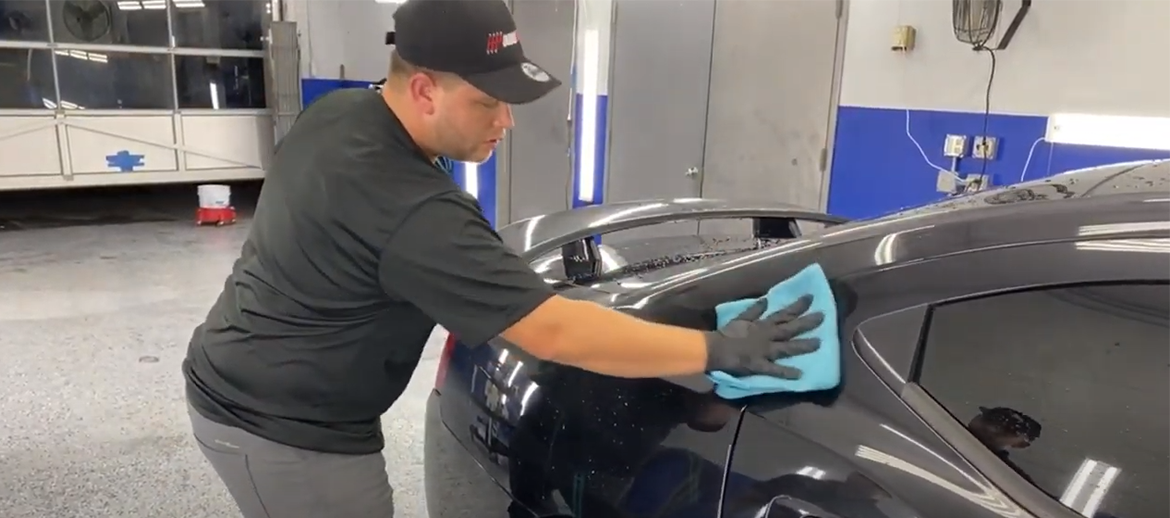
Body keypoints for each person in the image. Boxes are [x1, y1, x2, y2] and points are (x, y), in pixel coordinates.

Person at [181, 0, 824, 516]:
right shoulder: (414, 208)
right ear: (426, 90)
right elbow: (553, 328)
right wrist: (718, 351)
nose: (506, 122)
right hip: (283, 432)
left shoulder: (343, 111)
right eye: (487, 102)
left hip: (240, 371)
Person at [967, 406, 1042, 484]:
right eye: (990, 419)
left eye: (1008, 430)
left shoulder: (1013, 478)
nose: (992, 429)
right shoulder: (1012, 477)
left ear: (1022, 444)